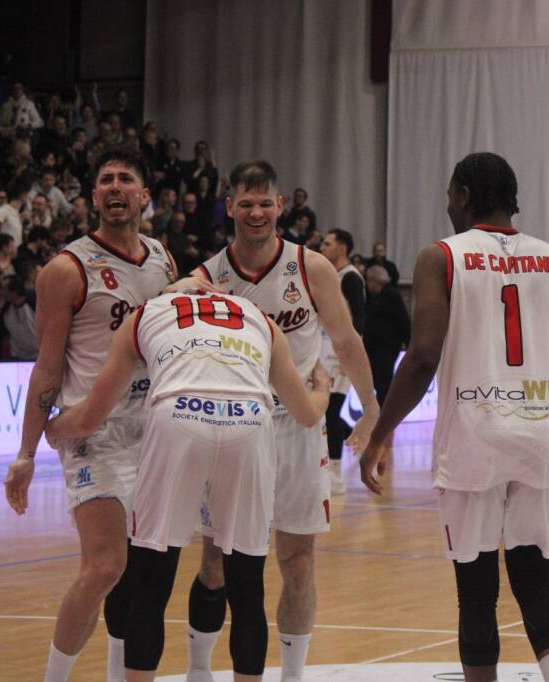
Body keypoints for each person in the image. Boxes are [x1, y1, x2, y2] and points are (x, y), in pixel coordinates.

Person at [360, 152, 549, 682]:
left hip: (474, 432)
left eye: (450, 194)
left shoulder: (440, 256)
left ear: (464, 196)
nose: (447, 204)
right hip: (541, 429)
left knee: (476, 589)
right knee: (536, 578)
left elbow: (422, 356)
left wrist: (380, 435)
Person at [44, 291, 331, 682]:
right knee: (247, 589)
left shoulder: (143, 314)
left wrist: (53, 428)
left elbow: (93, 414)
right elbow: (306, 413)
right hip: (249, 417)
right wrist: (324, 388)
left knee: (151, 585)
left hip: (177, 413)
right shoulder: (259, 317)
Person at [188, 161, 379, 682]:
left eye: (265, 202)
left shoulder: (311, 267)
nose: (255, 212)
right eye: (245, 202)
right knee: (215, 560)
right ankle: (198, 669)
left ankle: (292, 675)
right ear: (228, 207)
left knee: (298, 559)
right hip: (231, 428)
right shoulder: (208, 274)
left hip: (297, 430)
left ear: (280, 207)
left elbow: (345, 343)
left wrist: (372, 410)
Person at [3, 146, 181, 682]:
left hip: (155, 431)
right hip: (94, 432)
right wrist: (27, 453)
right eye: (105, 180)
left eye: (126, 178)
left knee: (136, 575)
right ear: (93, 196)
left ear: (144, 196)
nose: (114, 186)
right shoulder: (66, 268)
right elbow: (46, 366)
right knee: (105, 565)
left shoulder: (162, 259)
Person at [319, 228, 366, 494]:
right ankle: (326, 468)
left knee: (331, 412)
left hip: (339, 355)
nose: (322, 247)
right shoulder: (330, 276)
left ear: (342, 248)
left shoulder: (350, 278)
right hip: (323, 350)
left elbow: (358, 322)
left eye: (327, 243)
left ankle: (335, 473)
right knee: (322, 414)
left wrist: (347, 356)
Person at [363, 264, 410, 408]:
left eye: (369, 281)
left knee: (383, 382)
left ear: (375, 281)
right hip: (373, 347)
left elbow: (403, 321)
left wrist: (409, 344)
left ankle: (383, 413)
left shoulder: (391, 295)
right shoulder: (373, 297)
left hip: (386, 347)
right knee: (376, 381)